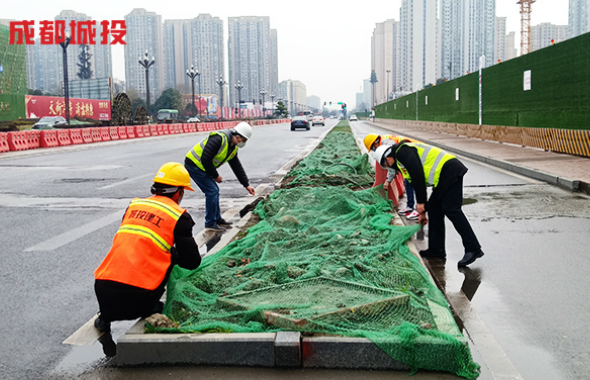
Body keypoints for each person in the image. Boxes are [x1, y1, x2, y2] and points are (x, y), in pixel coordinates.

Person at [94, 162, 201, 339]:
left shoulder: (134, 206)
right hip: (140, 297)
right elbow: (192, 262)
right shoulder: (178, 216)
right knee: (170, 255)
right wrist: (171, 253)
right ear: (179, 191)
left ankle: (105, 319)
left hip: (104, 291)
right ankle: (149, 306)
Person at [374, 142, 484, 267]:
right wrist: (423, 212)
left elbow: (418, 176)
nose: (388, 166)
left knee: (451, 209)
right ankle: (437, 250)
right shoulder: (400, 162)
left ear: (387, 158)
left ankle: (473, 248)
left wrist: (421, 203)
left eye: (386, 164)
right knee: (434, 208)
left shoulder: (402, 152)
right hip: (443, 176)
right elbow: (416, 184)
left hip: (450, 170)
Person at [184, 122, 256, 231]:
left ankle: (217, 219)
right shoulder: (219, 139)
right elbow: (205, 159)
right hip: (194, 165)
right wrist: (215, 176)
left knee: (214, 190)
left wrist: (246, 185)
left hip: (203, 167)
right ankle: (210, 222)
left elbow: (237, 167)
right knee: (212, 191)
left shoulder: (232, 147)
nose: (243, 143)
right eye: (244, 140)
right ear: (237, 136)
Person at [364, 133, 419, 220]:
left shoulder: (387, 145)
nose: (373, 150)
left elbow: (392, 165)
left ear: (375, 143)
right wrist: (388, 180)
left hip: (416, 153)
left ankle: (417, 210)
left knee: (414, 182)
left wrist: (388, 180)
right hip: (411, 155)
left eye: (372, 148)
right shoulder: (384, 144)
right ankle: (410, 206)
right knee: (408, 182)